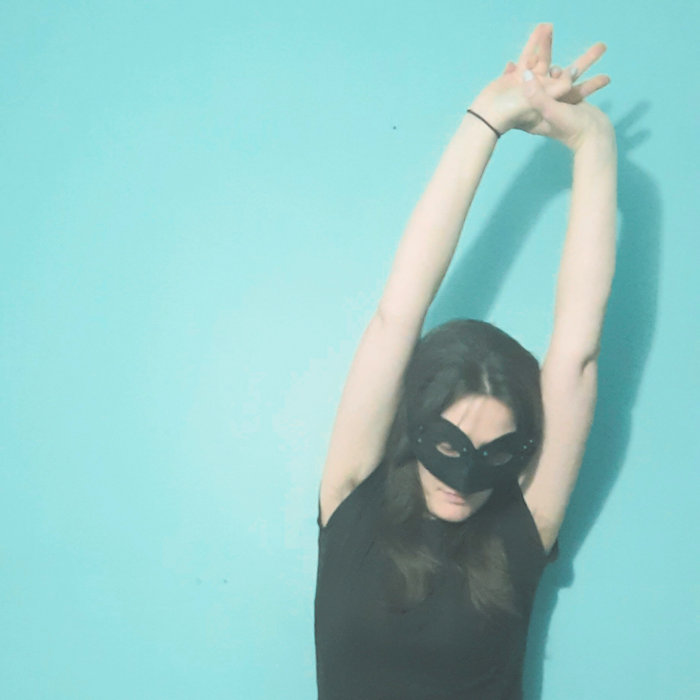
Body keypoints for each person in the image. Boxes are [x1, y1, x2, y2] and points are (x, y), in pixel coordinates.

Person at [314, 22, 617, 700]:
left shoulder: (520, 529)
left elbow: (576, 356)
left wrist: (593, 143)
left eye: (494, 452)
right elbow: (397, 314)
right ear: (416, 423)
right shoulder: (352, 502)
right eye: (449, 445)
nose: (464, 476)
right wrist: (487, 119)